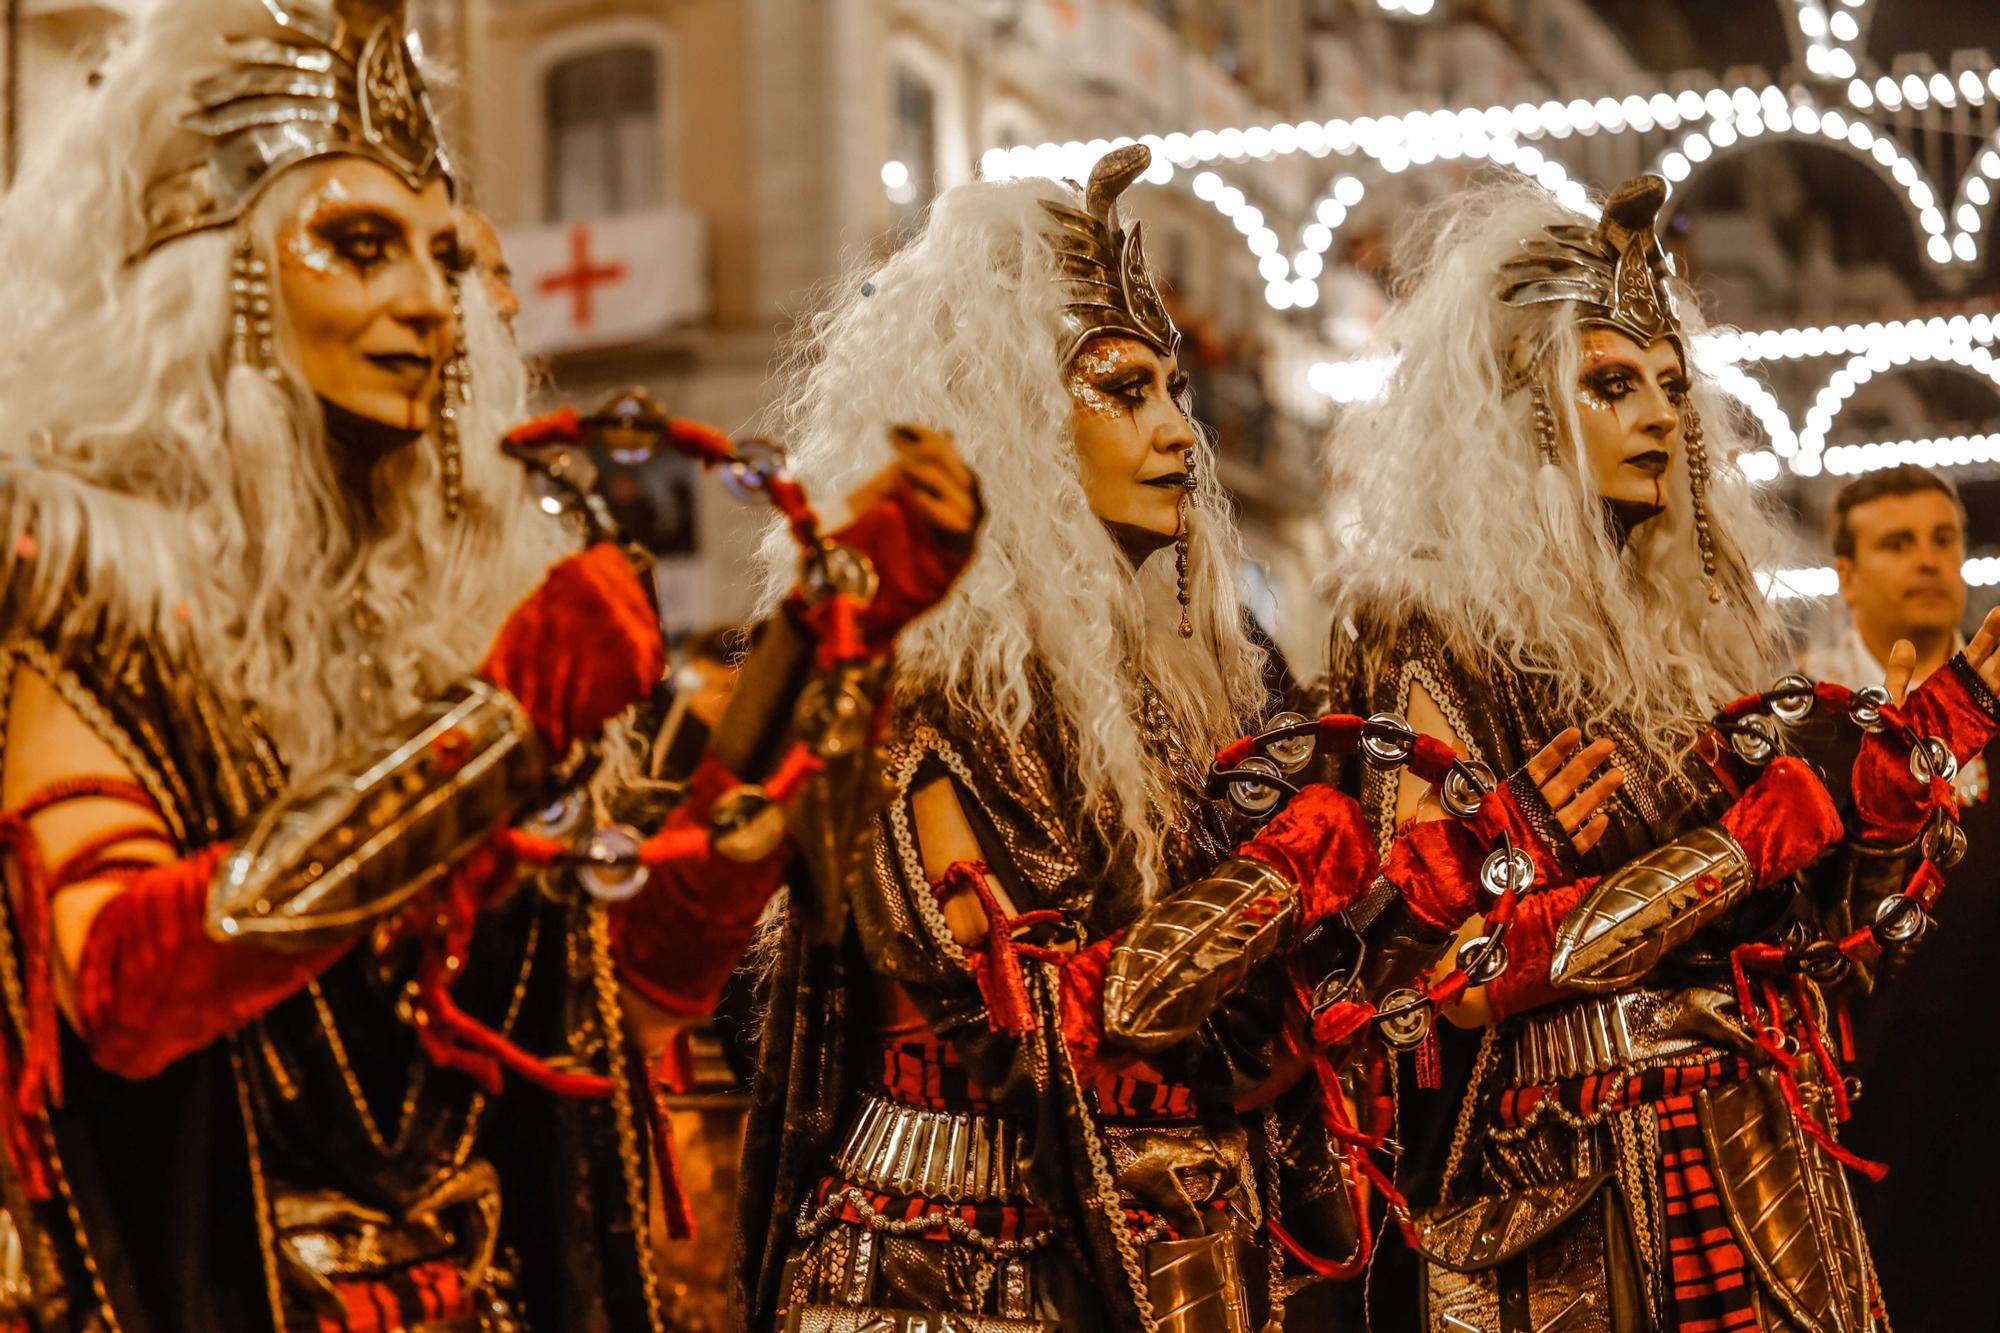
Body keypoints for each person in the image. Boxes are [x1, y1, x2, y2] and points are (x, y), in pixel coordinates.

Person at [0, 2, 976, 1328]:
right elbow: (121, 981)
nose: (426, 300)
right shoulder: (95, 591)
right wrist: (501, 720)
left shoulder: (447, 612)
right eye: (357, 246)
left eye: (442, 256)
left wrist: (819, 629)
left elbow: (619, 997)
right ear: (212, 283)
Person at [729, 145, 1609, 1333]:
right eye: (1122, 390)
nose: (1176, 438)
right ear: (1015, 417)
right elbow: (1031, 1023)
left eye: (1174, 394)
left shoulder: (1207, 678)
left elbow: (1266, 1031)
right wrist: (1286, 872)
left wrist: (1454, 868)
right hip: (944, 1259)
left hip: (1179, 1256)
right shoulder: (915, 673)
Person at [1321, 175, 2000, 1332]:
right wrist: (1742, 845)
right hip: (1560, 1195)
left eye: (1670, 387)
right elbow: (1426, 985)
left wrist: (1884, 815)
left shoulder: (1710, 631)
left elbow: (1831, 962)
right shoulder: (1428, 631)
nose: (1659, 416)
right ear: (1523, 405)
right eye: (1609, 384)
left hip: (1760, 1174)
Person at [1805, 466, 2000, 1332]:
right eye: (1895, 542)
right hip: (1875, 1100)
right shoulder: (1809, 729)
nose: (1927, 560)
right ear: (1845, 572)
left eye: (1943, 538)